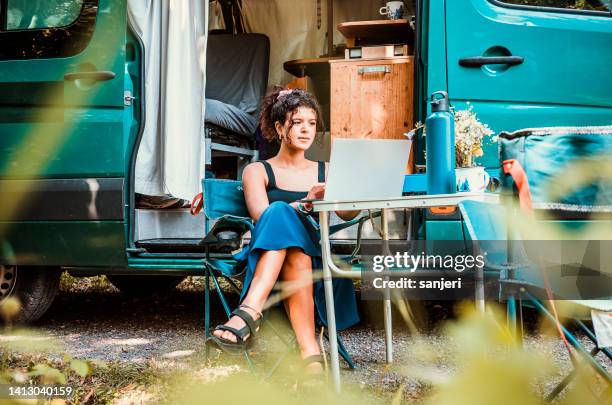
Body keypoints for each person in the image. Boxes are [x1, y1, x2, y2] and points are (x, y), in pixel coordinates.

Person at [207, 86, 360, 375]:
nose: (306, 130)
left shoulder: (326, 170)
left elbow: (347, 213)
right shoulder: (258, 171)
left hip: (320, 260)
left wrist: (351, 191)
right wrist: (306, 203)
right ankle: (310, 353)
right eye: (297, 122)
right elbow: (264, 221)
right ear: (279, 128)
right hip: (270, 260)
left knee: (298, 247)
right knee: (284, 230)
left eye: (312, 124)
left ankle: (249, 312)